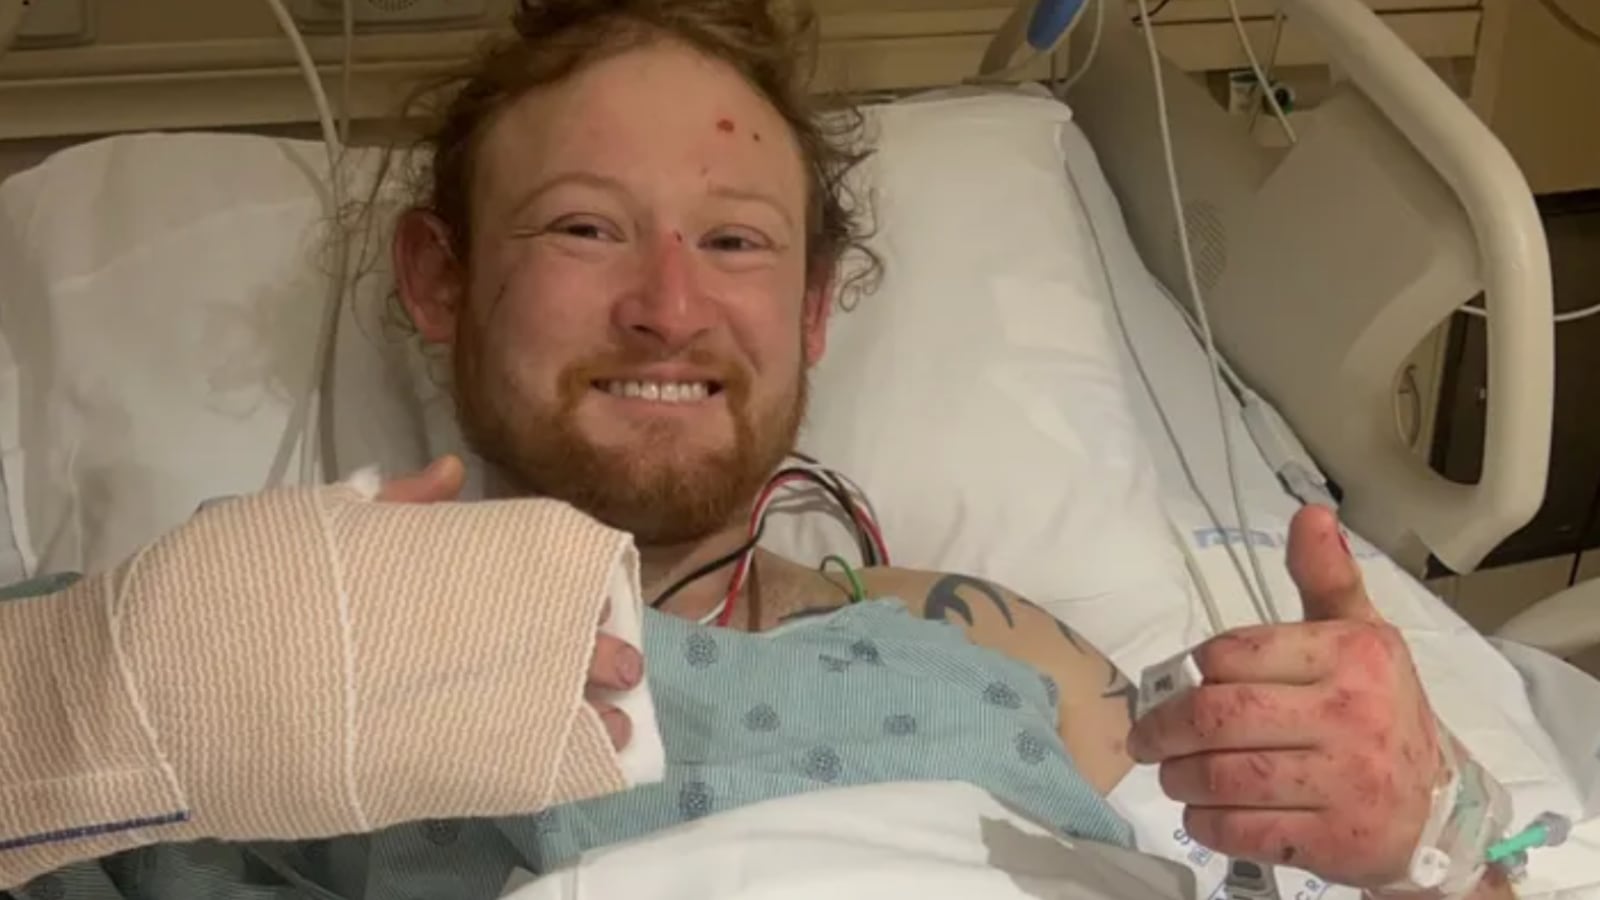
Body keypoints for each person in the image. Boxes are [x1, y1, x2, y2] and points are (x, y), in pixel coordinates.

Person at [0, 1, 1514, 898]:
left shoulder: (1001, 650)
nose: (668, 307)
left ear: (806, 314)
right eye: (585, 228)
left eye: (731, 242)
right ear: (440, 280)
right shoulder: (231, 653)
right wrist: (91, 695)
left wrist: (1429, 839)